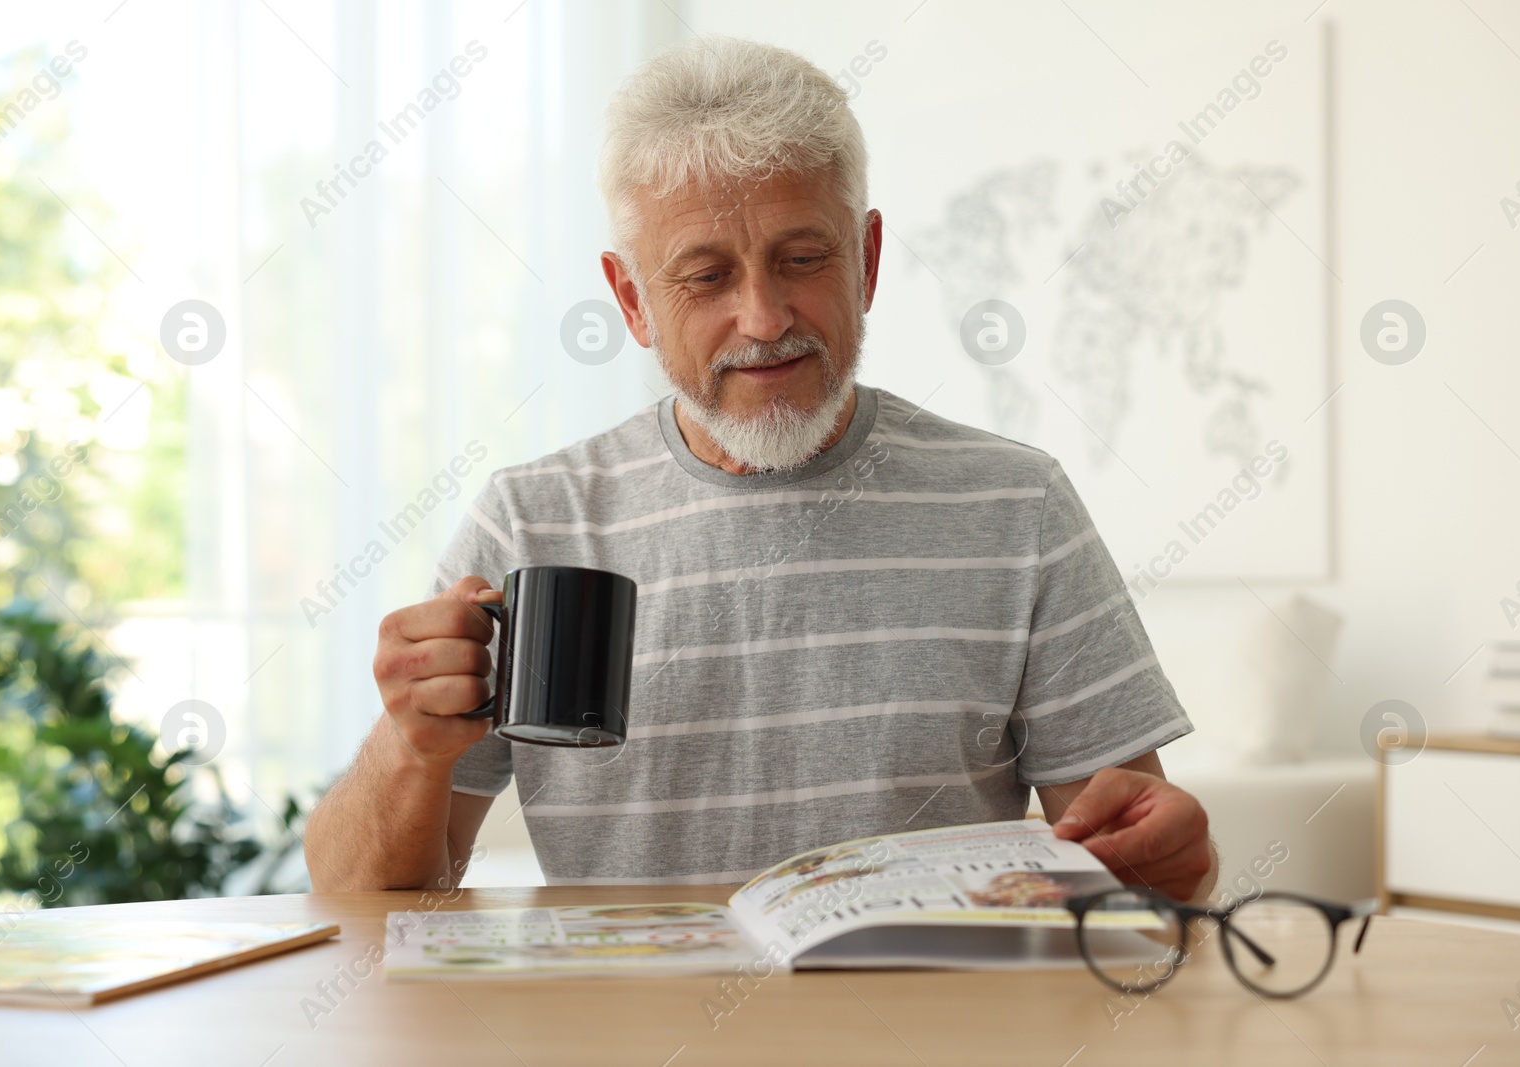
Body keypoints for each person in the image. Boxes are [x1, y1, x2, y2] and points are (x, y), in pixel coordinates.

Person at [304, 35, 1217, 903]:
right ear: (633, 300)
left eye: (802, 258)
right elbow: (358, 900)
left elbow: (1138, 858)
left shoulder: (1019, 507)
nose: (765, 317)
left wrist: (1178, 856)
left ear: (865, 260)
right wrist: (407, 749)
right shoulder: (533, 520)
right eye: (705, 277)